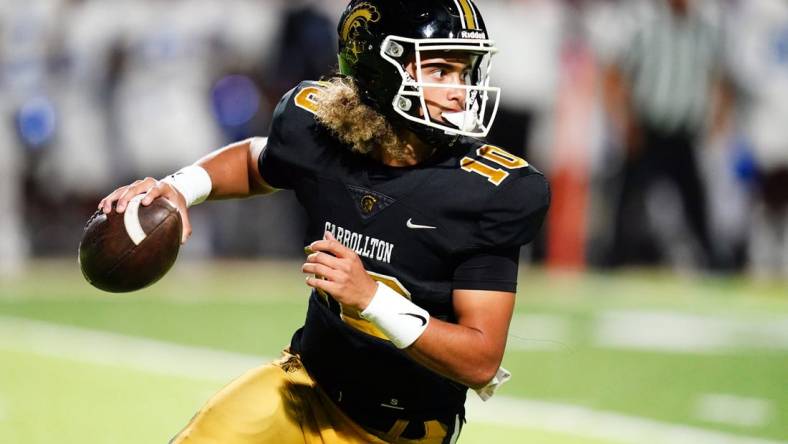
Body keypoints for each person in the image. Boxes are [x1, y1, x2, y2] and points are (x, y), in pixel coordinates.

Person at [98, 1, 550, 442]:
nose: (460, 89)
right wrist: (181, 187)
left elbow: (480, 361)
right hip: (305, 385)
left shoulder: (488, 192)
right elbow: (260, 161)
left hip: (395, 435)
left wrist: (372, 299)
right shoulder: (324, 129)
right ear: (380, 71)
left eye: (464, 70)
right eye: (439, 70)